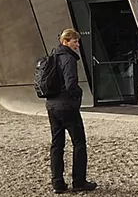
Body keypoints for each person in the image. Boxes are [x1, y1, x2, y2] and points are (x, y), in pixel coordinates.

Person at [45, 29, 97, 194]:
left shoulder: (53, 56)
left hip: (51, 105)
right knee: (79, 143)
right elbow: (71, 84)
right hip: (66, 106)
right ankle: (79, 181)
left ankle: (57, 183)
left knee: (57, 144)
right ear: (66, 41)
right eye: (75, 41)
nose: (77, 44)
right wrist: (78, 96)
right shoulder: (68, 59)